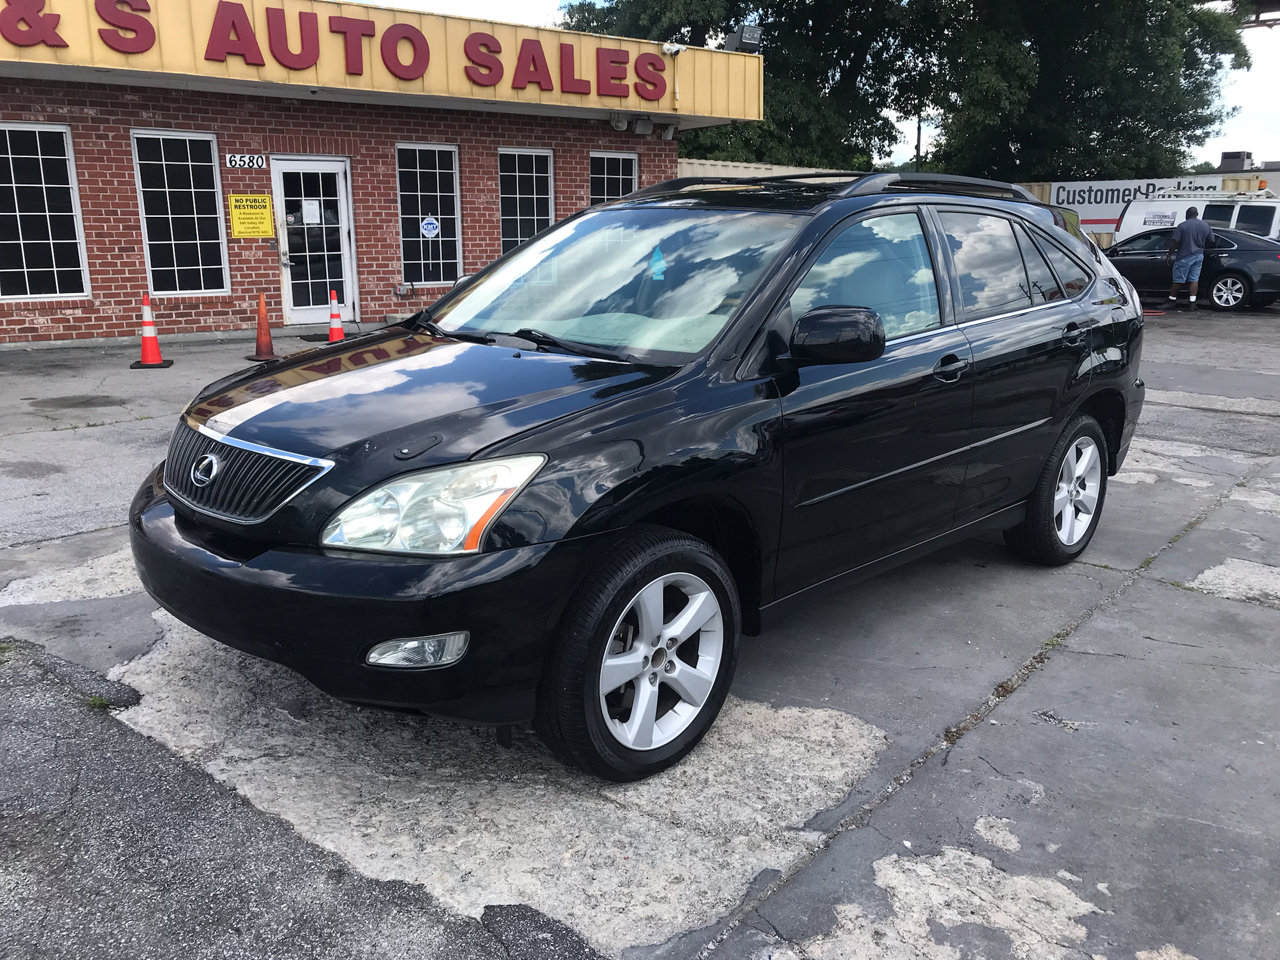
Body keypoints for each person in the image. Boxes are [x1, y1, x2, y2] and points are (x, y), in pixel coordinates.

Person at [1166, 207, 1215, 310]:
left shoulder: (1182, 226)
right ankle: (1192, 303)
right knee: (1194, 280)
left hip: (1184, 256)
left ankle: (1171, 301)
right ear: (1197, 214)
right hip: (1198, 256)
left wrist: (1169, 255)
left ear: (1187, 214)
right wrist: (1202, 247)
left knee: (1178, 280)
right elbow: (1211, 240)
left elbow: (1175, 242)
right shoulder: (1205, 225)